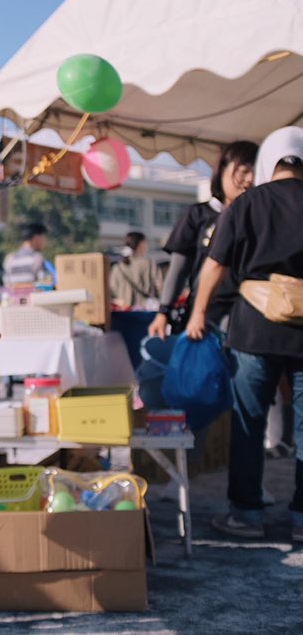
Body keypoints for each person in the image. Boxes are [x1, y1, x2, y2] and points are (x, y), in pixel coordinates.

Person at [186, 126, 303, 543]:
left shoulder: (248, 203)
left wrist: (197, 312)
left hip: (256, 328)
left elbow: (214, 265)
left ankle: (247, 516)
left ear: (270, 162)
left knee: (249, 424)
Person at [148, 141, 258, 339]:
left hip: (248, 318)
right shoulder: (198, 214)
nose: (249, 179)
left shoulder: (260, 219)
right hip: (203, 318)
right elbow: (179, 269)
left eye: (255, 172)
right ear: (223, 168)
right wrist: (163, 312)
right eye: (243, 171)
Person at [108, 231, 163, 309]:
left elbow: (111, 291)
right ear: (141, 244)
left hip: (123, 312)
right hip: (145, 313)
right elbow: (161, 287)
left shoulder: (117, 267)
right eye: (145, 243)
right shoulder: (149, 264)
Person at [3, 222, 48, 289]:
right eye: (43, 238)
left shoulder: (10, 258)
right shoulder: (37, 258)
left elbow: (7, 284)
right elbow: (44, 283)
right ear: (36, 237)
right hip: (33, 298)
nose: (44, 241)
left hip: (14, 298)